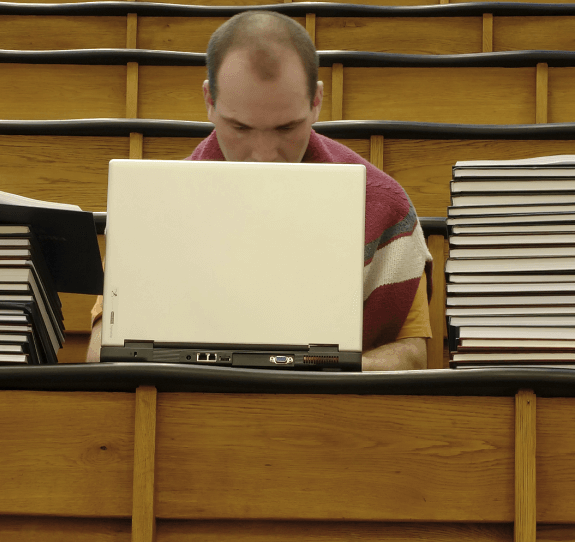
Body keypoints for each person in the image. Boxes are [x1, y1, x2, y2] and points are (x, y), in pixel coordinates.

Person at [87, 10, 431, 370]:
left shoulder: (384, 206)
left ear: (316, 101)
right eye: (239, 127)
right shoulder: (149, 207)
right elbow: (100, 353)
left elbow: (413, 357)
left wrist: (305, 368)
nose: (264, 156)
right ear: (209, 101)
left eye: (286, 129)